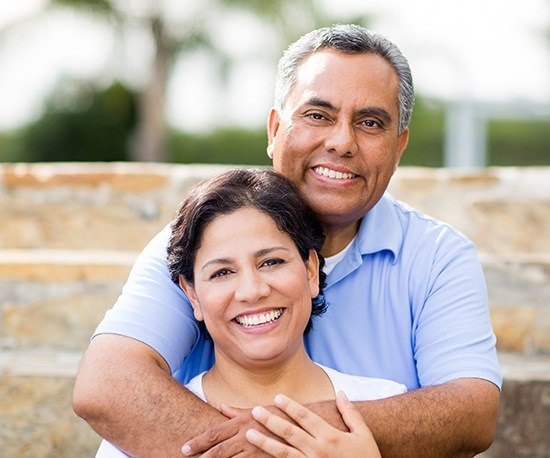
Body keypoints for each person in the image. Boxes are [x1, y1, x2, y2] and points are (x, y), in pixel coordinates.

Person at [73, 24, 502, 457]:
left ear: (398, 146)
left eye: (370, 123)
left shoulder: (437, 256)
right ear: (275, 129)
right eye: (318, 115)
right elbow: (108, 384)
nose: (341, 142)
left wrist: (288, 435)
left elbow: (472, 410)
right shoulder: (198, 240)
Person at [96, 168, 407, 457]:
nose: (251, 290)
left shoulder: (381, 401)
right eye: (222, 273)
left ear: (311, 270)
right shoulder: (138, 431)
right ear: (192, 295)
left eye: (271, 262)